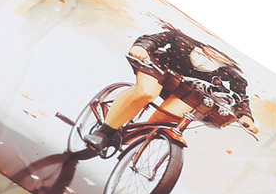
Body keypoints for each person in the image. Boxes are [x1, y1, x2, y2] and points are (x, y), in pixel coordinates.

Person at [95, 25, 258, 145]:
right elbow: (154, 39)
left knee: (166, 120)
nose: (211, 58)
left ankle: (136, 142)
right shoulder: (182, 39)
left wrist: (245, 116)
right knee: (146, 92)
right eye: (208, 53)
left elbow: (239, 97)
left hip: (189, 89)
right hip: (159, 66)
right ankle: (104, 131)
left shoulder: (234, 76)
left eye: (219, 59)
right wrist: (142, 48)